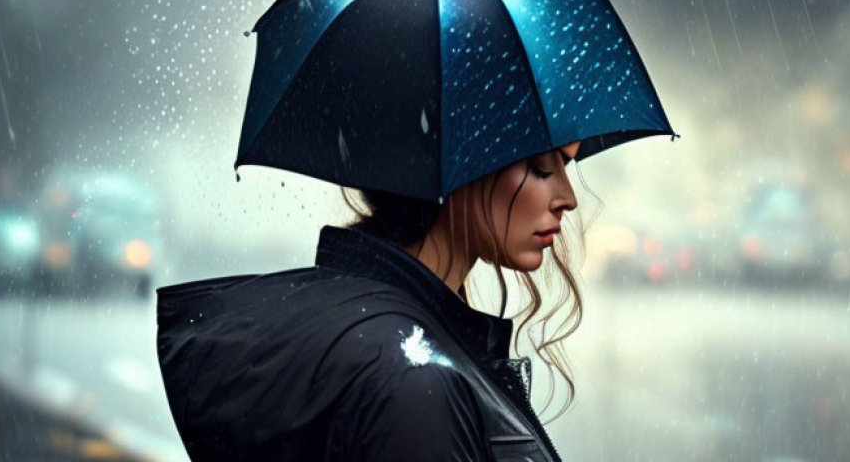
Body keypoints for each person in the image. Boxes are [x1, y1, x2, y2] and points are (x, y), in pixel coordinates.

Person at [157, 140, 584, 462]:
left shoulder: (381, 332)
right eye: (540, 167)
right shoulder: (415, 382)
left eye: (566, 166)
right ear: (458, 166)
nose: (568, 197)